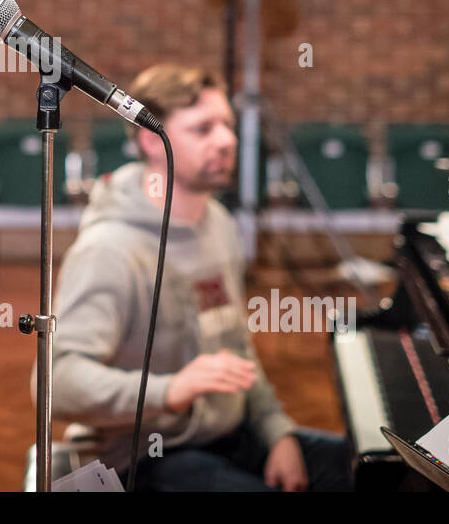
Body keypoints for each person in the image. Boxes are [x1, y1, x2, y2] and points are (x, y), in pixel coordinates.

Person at [48, 63, 350, 491]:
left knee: (368, 470)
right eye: (203, 129)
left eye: (227, 124)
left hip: (228, 432)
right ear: (152, 140)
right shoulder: (109, 249)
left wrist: (277, 430)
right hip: (144, 455)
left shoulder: (220, 224)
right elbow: (58, 384)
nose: (228, 140)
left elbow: (236, 350)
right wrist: (172, 390)